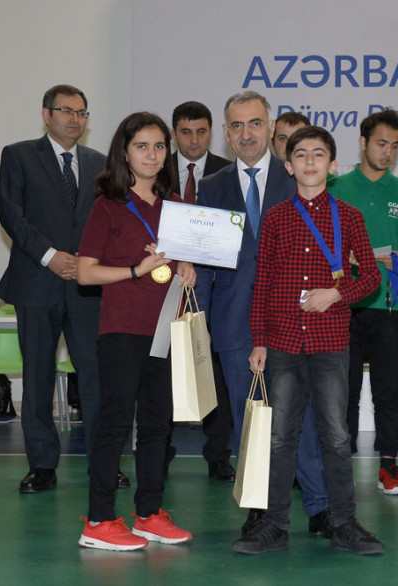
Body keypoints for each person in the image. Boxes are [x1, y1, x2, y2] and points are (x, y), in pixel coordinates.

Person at [233, 125, 383, 555]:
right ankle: (274, 525)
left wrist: (336, 293)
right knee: (280, 437)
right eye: (301, 155)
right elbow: (262, 283)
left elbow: (370, 277)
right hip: (281, 343)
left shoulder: (349, 216)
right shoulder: (277, 217)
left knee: (336, 437)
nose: (310, 162)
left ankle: (344, 523)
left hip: (330, 343)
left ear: (333, 166)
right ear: (288, 164)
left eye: (319, 155)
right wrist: (259, 340)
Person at [196, 91, 331, 536]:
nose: (246, 134)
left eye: (254, 123)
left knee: (304, 419)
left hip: (293, 321)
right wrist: (182, 262)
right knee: (249, 420)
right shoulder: (211, 187)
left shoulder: (295, 177)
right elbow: (203, 259)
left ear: (270, 126)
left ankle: (319, 507)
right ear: (226, 133)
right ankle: (259, 508)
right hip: (235, 323)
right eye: (236, 126)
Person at [0, 85, 124, 493]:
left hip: (87, 286)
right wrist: (51, 256)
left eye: (82, 113)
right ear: (46, 115)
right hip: (37, 281)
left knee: (96, 378)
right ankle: (42, 465)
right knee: (37, 376)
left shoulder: (100, 163)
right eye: (66, 111)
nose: (74, 119)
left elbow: (109, 223)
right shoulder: (17, 155)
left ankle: (103, 463)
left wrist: (85, 261)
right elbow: (11, 215)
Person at [77, 112, 195, 551]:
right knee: (114, 423)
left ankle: (148, 513)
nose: (152, 154)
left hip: (166, 329)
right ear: (124, 151)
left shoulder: (177, 207)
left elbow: (187, 258)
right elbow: (86, 274)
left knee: (156, 425)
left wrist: (186, 268)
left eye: (159, 146)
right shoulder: (107, 205)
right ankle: (99, 519)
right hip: (123, 330)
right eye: (142, 146)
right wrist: (136, 268)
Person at [329, 108, 398, 494]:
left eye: (394, 146)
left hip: (388, 305)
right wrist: (341, 258)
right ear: (363, 143)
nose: (387, 152)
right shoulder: (334, 187)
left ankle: (389, 466)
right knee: (341, 391)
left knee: (387, 390)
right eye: (381, 143)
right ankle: (340, 464)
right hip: (342, 303)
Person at [165, 100, 234, 481]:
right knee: (164, 371)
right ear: (175, 133)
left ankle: (218, 452)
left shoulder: (228, 173)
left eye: (201, 132)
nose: (194, 140)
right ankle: (161, 449)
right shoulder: (156, 170)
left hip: (216, 284)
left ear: (212, 133)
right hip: (163, 284)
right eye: (186, 132)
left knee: (216, 373)